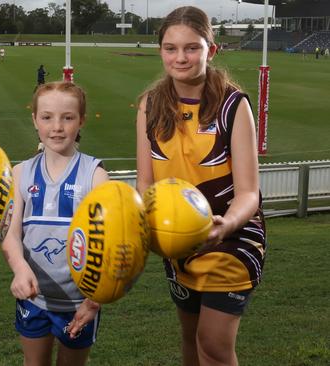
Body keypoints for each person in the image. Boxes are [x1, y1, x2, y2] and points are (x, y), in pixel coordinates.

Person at [135, 7, 266, 366]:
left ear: (212, 49)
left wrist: (226, 224)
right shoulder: (149, 105)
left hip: (231, 238)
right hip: (176, 238)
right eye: (170, 48)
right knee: (191, 340)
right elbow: (145, 182)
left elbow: (248, 193)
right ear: (160, 49)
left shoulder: (233, 105)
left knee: (213, 346)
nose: (180, 57)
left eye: (192, 48)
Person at [2, 81, 109, 366]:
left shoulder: (95, 176)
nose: (57, 127)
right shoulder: (21, 173)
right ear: (34, 119)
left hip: (79, 304)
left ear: (81, 120)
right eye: (47, 117)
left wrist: (94, 300)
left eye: (68, 117)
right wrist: (19, 268)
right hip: (34, 299)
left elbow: (108, 247)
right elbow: (10, 235)